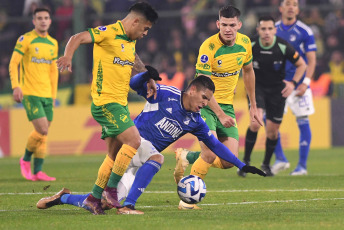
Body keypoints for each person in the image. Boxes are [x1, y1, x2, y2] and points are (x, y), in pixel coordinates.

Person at [36, 74, 266, 215]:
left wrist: (240, 164)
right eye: (204, 98)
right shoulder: (164, 94)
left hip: (139, 159)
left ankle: (63, 197)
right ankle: (129, 205)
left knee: (104, 203)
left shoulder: (196, 121)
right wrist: (146, 75)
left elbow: (215, 145)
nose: (205, 104)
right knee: (158, 158)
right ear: (193, 90)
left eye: (208, 101)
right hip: (132, 144)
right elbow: (135, 85)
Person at [56, 2, 159, 214]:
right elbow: (77, 38)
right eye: (145, 29)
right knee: (134, 140)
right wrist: (68, 55)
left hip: (119, 103)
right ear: (136, 21)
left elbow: (133, 59)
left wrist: (147, 77)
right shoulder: (108, 32)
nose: (145, 34)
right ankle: (111, 190)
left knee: (114, 155)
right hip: (105, 103)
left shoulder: (129, 41)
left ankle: (93, 198)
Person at [173, 5, 263, 209]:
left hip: (227, 106)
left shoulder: (245, 43)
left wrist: (253, 105)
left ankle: (186, 155)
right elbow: (203, 86)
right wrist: (219, 114)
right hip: (205, 105)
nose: (228, 29)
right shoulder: (208, 47)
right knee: (210, 153)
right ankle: (186, 201)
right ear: (218, 24)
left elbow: (248, 72)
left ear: (239, 25)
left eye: (232, 25)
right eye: (224, 25)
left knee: (228, 161)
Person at [236, 15, 307, 177]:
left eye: (270, 29)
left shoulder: (282, 46)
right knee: (255, 123)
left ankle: (266, 164)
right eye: (263, 29)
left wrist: (293, 83)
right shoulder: (250, 45)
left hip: (277, 91)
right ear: (258, 30)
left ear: (275, 30)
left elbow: (302, 64)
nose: (267, 32)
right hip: (257, 89)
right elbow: (236, 64)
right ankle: (245, 162)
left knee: (272, 133)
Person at [9, 8, 58, 181]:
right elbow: (13, 63)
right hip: (30, 92)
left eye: (46, 18)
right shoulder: (25, 39)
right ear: (34, 21)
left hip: (47, 94)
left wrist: (53, 95)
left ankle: (38, 171)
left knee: (43, 134)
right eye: (39, 18)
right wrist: (16, 86)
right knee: (42, 129)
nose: (43, 21)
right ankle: (25, 160)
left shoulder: (53, 43)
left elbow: (54, 72)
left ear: (50, 21)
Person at [271, 0, 317, 176]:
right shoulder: (272, 29)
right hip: (278, 85)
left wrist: (306, 82)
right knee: (270, 122)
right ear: (280, 8)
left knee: (303, 120)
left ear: (298, 9)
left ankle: (302, 167)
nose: (291, 7)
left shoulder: (305, 31)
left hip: (299, 86)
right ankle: (281, 159)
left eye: (295, 4)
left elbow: (311, 60)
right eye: (288, 3)